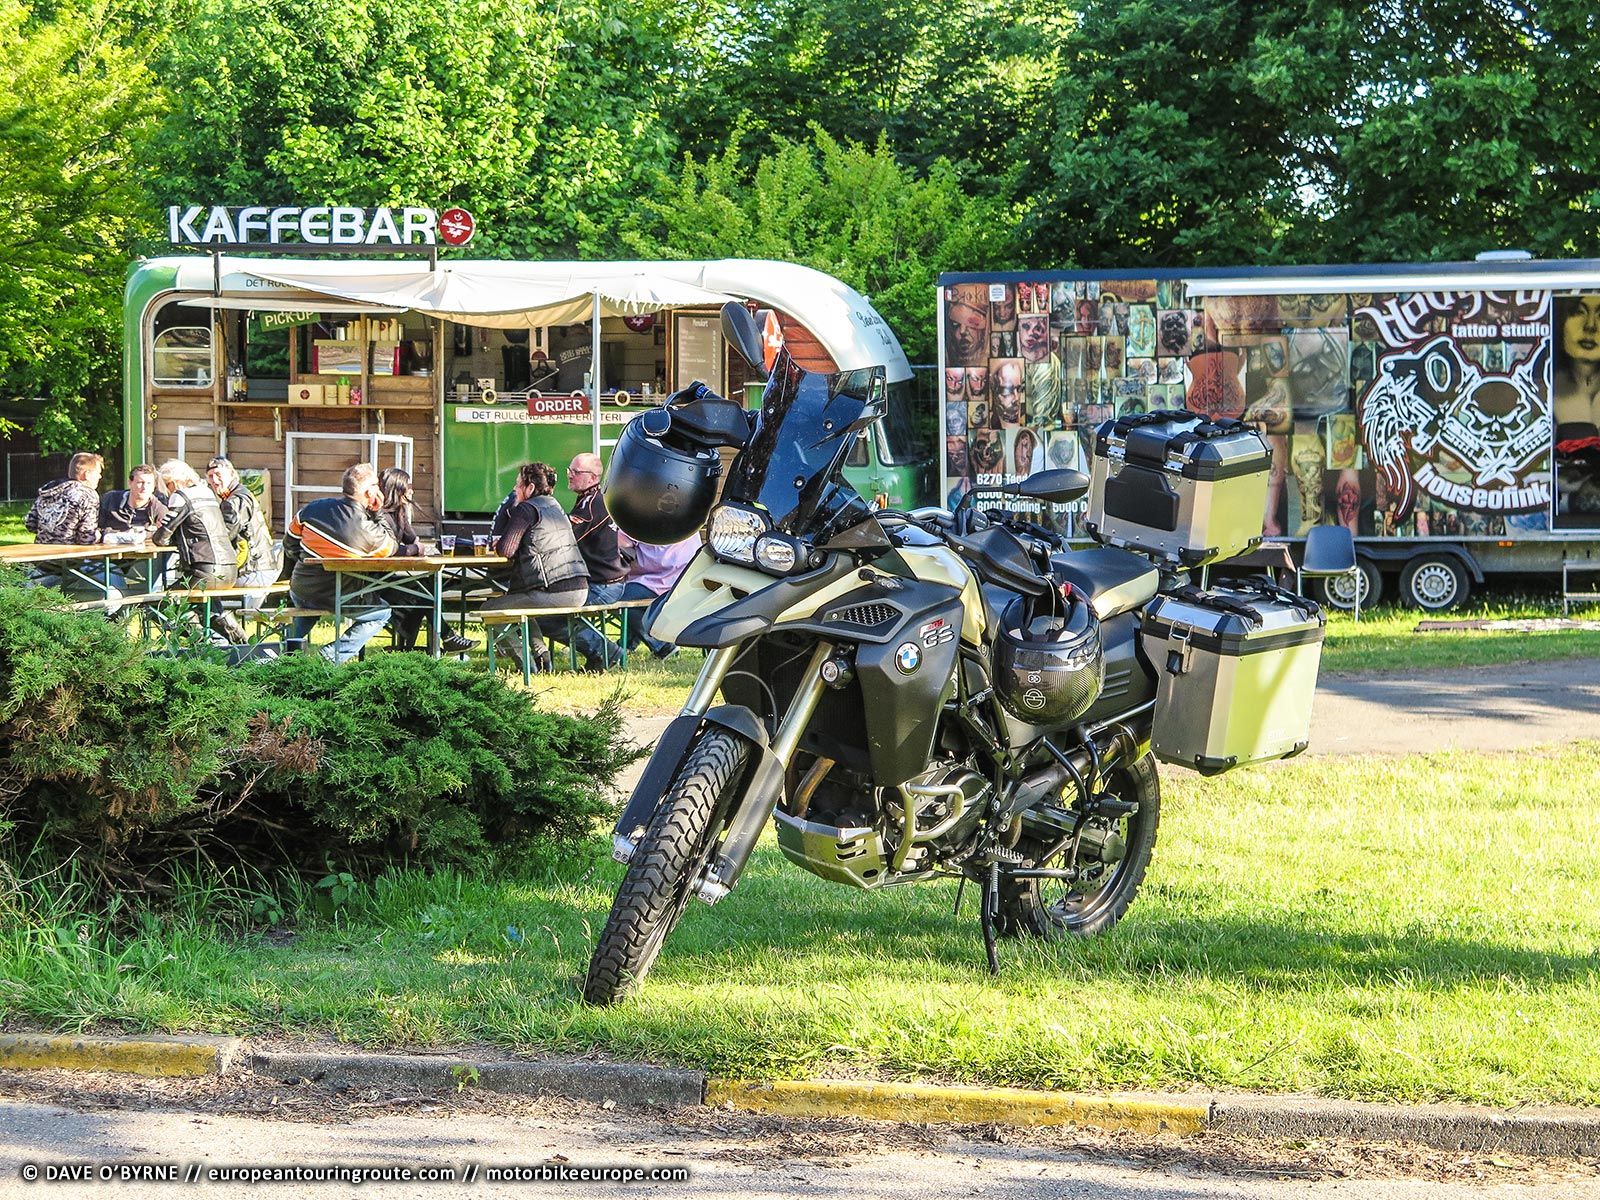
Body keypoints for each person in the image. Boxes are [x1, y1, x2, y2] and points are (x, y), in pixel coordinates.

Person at [282, 462, 396, 663]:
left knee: (307, 608)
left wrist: (307, 559)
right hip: (339, 596)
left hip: (301, 590)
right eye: (376, 485)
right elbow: (391, 546)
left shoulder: (312, 509)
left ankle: (286, 654)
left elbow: (289, 543)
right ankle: (331, 655)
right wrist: (378, 513)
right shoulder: (368, 531)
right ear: (370, 493)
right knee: (382, 612)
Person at [482, 462, 589, 673]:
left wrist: (502, 541)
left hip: (555, 591)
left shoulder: (526, 509)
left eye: (518, 484)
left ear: (530, 488)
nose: (515, 489)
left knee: (489, 610)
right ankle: (542, 657)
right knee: (520, 603)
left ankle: (526, 665)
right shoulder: (554, 505)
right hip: (580, 587)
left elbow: (506, 550)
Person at [375, 466, 473, 654]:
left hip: (387, 578)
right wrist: (413, 549)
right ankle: (443, 640)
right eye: (409, 485)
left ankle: (418, 646)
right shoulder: (380, 517)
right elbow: (391, 551)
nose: (412, 490)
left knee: (427, 588)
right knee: (424, 592)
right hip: (375, 584)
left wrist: (416, 547)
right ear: (398, 489)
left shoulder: (398, 513)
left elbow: (412, 541)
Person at [562, 452, 627, 670]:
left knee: (555, 617)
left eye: (576, 472)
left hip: (602, 586)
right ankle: (598, 658)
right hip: (609, 580)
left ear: (592, 478)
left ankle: (607, 651)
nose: (570, 475)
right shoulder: (596, 498)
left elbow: (566, 537)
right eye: (569, 470)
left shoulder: (590, 504)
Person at [205, 457, 277, 609]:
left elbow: (222, 538)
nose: (215, 480)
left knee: (203, 586)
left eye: (219, 474)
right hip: (262, 568)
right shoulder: (242, 494)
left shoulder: (234, 501)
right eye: (211, 476)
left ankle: (220, 631)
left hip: (253, 572)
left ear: (232, 474)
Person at [616, 532, 698, 658]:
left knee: (620, 599)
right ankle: (626, 645)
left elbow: (620, 541)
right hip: (687, 580)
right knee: (629, 599)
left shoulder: (644, 520)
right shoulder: (690, 520)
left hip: (660, 580)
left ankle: (662, 645)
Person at [27, 451, 103, 545]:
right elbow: (86, 537)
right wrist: (99, 535)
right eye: (98, 473)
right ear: (87, 474)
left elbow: (30, 524)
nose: (100, 476)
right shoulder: (88, 495)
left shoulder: (49, 490)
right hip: (68, 554)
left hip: (40, 551)